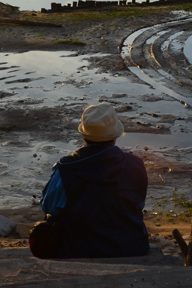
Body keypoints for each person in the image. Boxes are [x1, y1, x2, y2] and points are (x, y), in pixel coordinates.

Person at [40, 102, 149, 258]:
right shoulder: (135, 165)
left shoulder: (66, 168)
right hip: (130, 247)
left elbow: (48, 207)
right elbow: (138, 204)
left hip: (77, 250)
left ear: (84, 135)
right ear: (114, 136)